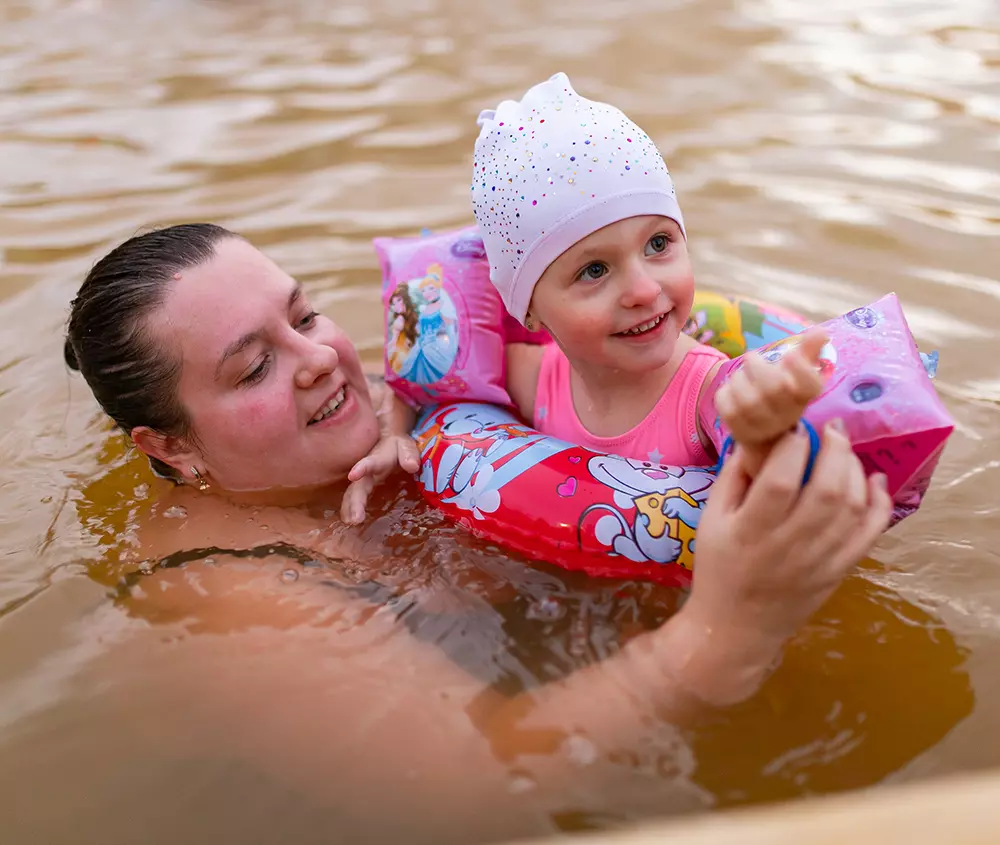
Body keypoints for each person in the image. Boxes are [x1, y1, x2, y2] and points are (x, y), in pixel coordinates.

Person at [63, 222, 891, 742]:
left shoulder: (423, 409)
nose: (320, 357)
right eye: (254, 368)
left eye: (306, 315)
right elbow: (480, 783)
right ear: (170, 447)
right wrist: (730, 627)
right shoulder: (219, 590)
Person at [473, 73, 832, 477]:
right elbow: (426, 389)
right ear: (529, 310)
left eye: (658, 244)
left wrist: (769, 430)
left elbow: (760, 434)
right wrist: (394, 412)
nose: (643, 290)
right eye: (594, 270)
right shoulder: (530, 378)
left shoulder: (709, 396)